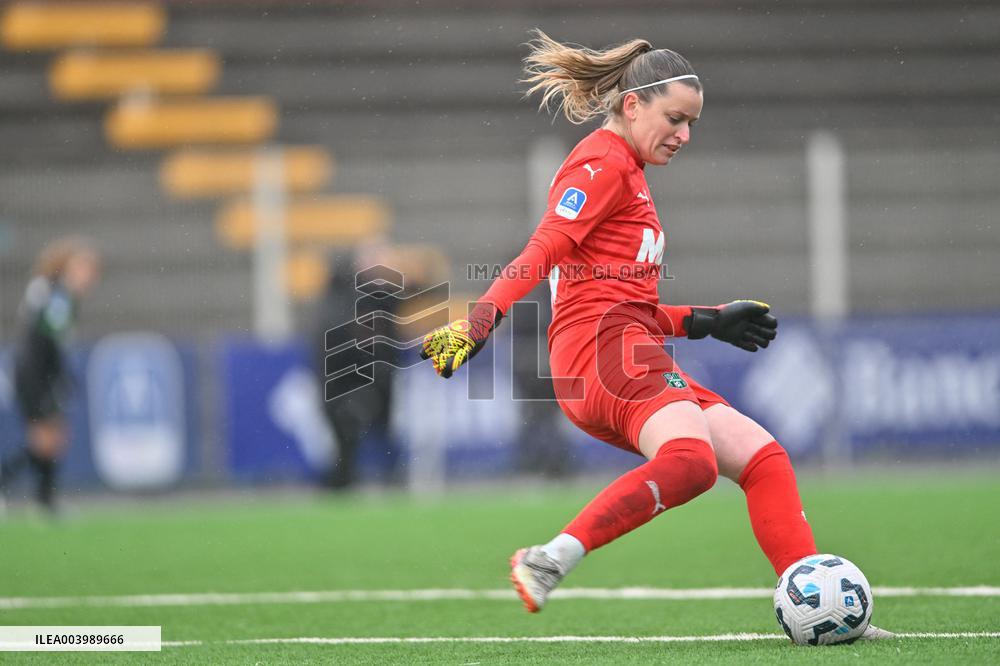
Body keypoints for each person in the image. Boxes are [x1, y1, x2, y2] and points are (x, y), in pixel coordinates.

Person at [419, 31, 891, 638]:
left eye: (692, 123)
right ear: (633, 104)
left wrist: (708, 320)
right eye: (675, 118)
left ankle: (816, 603)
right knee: (691, 463)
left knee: (764, 461)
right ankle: (550, 558)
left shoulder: (629, 171)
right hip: (601, 356)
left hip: (622, 348)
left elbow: (624, 300)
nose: (684, 135)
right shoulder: (602, 164)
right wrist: (482, 319)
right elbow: (545, 247)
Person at [0, 237, 100, 514]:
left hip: (39, 373)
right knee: (46, 439)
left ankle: (45, 501)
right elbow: (45, 342)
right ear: (67, 267)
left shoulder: (54, 293)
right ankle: (41, 499)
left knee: (53, 438)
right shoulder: (58, 296)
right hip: (35, 374)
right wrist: (57, 378)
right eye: (83, 269)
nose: (88, 276)